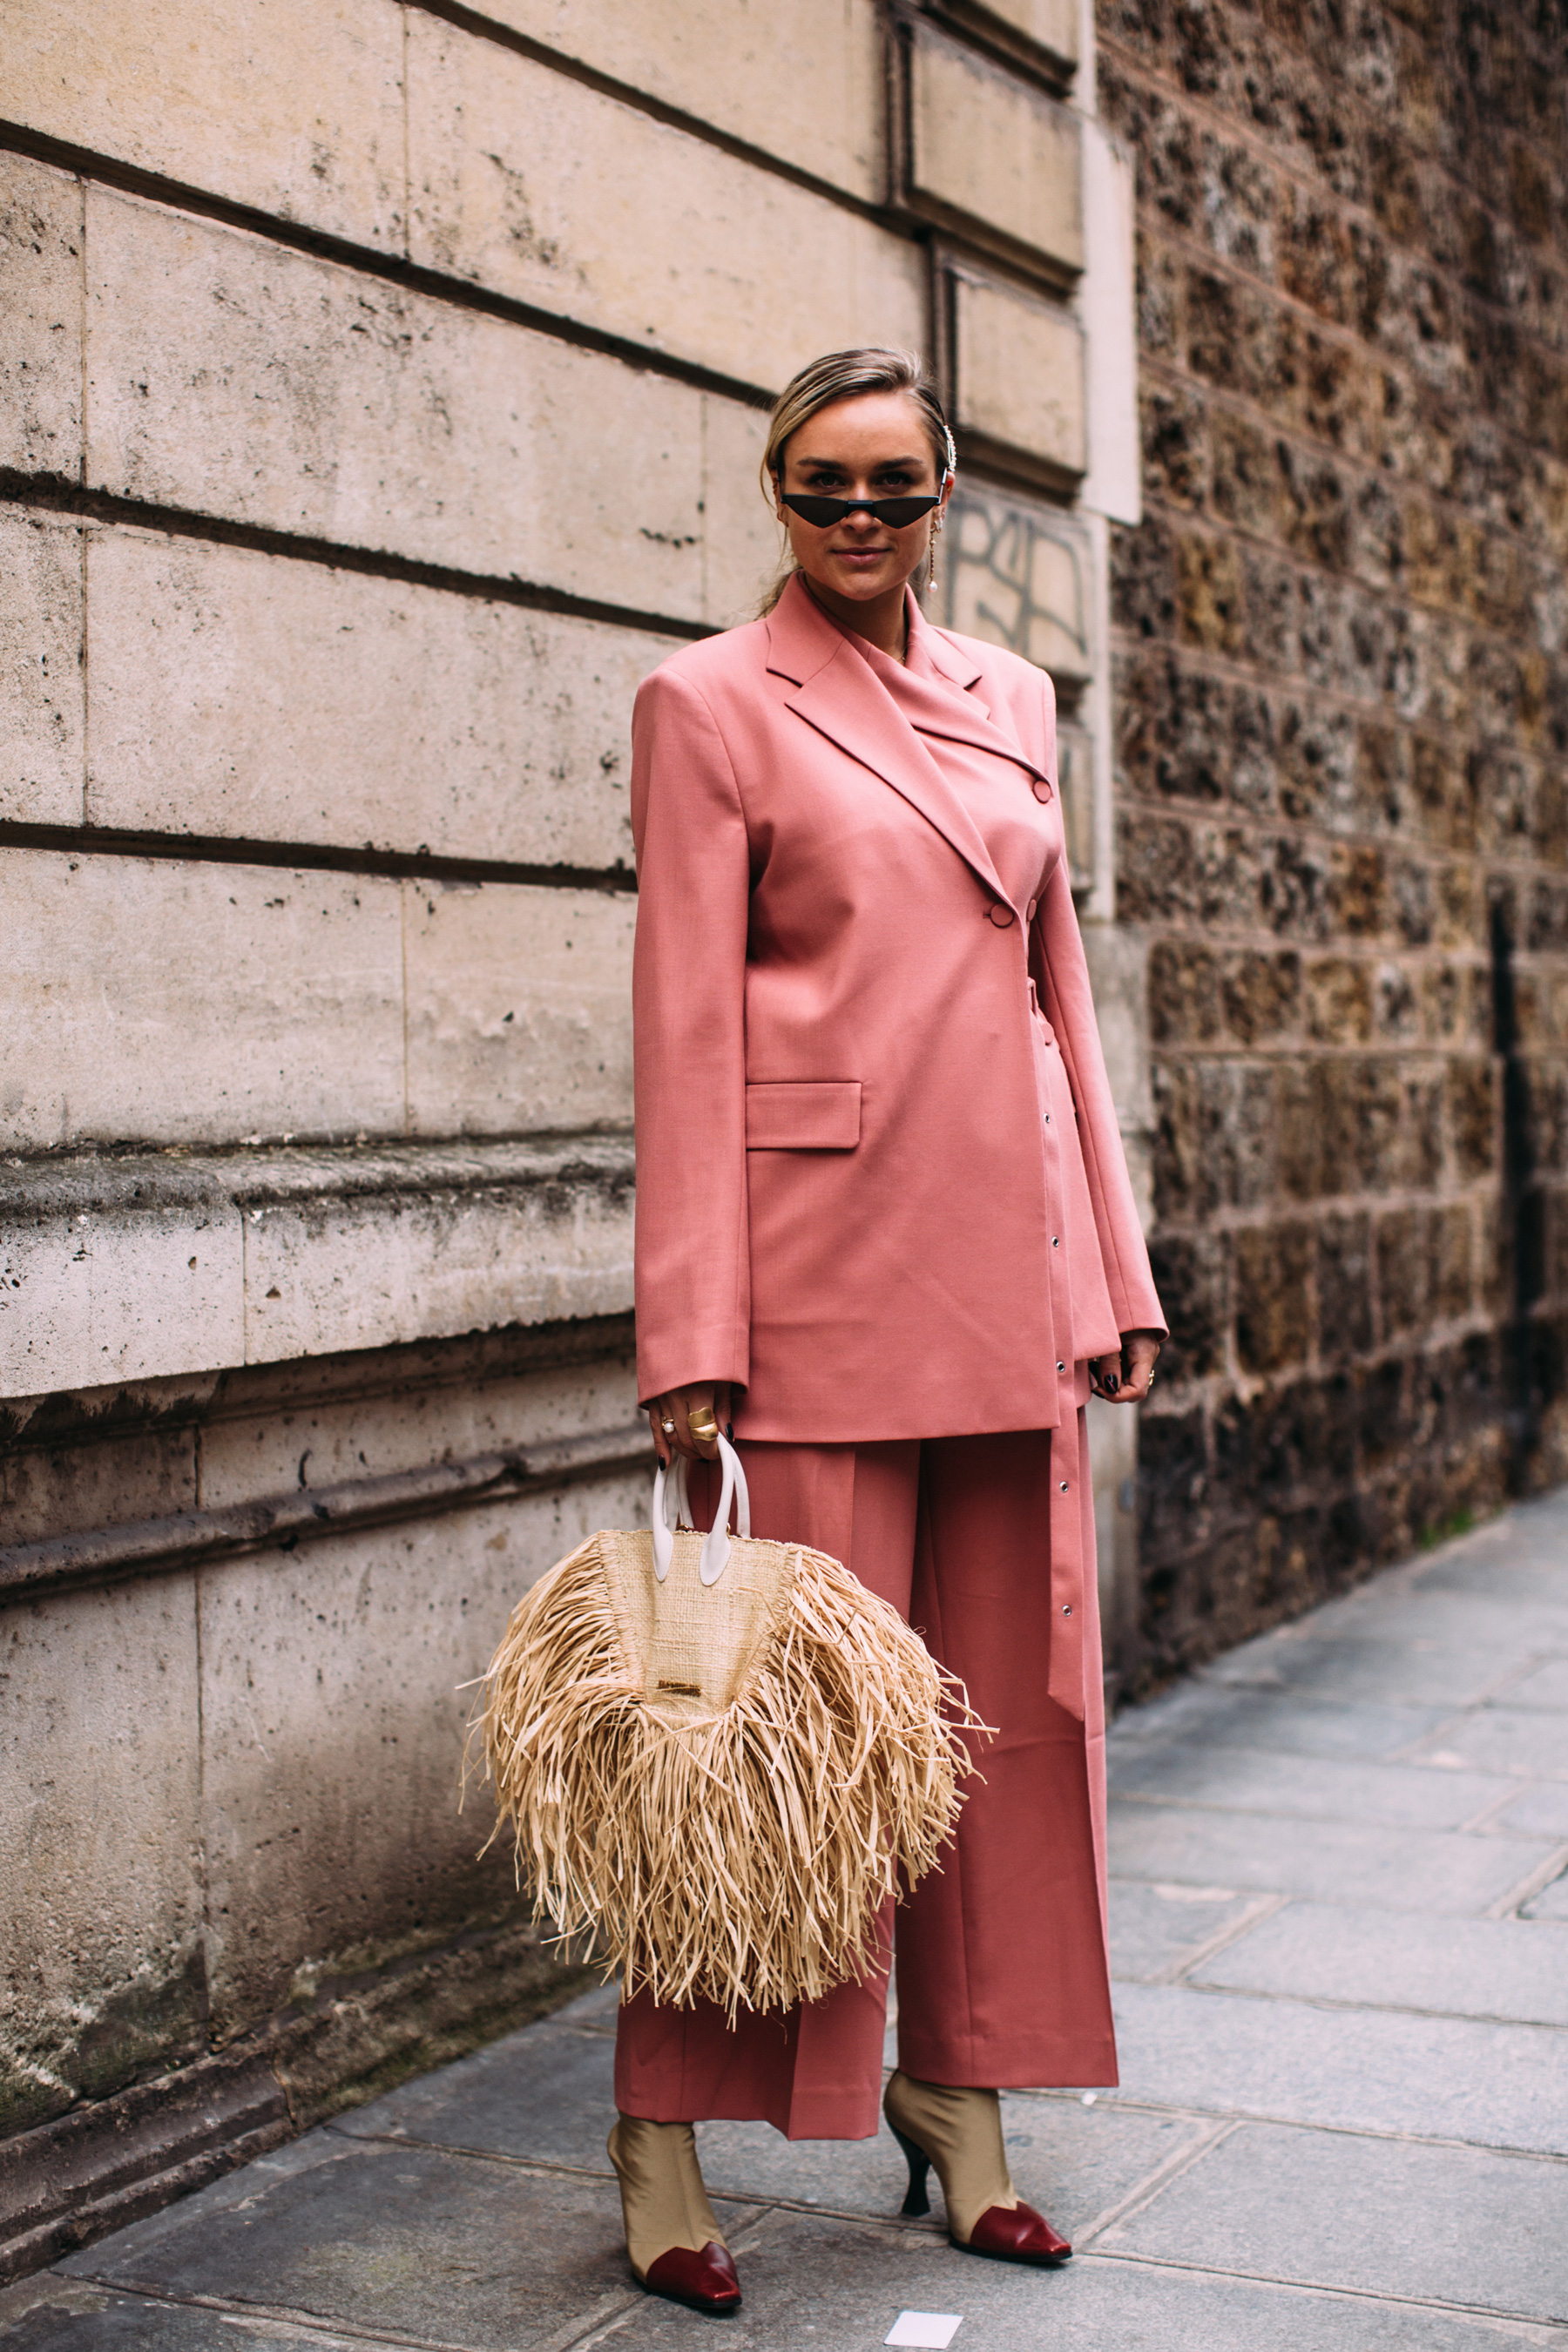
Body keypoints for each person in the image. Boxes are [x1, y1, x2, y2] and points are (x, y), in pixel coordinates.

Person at [608, 347, 1165, 2315]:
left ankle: (965, 2090)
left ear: (946, 499)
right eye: (823, 488)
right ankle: (664, 2124)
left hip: (1006, 1286)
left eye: (896, 489)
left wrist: (1113, 1264)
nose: (860, 520)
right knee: (771, 1740)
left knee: (1005, 1724)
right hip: (819, 1288)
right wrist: (694, 1333)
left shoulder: (1014, 698)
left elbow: (1054, 995)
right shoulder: (706, 702)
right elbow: (682, 1032)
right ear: (776, 492)